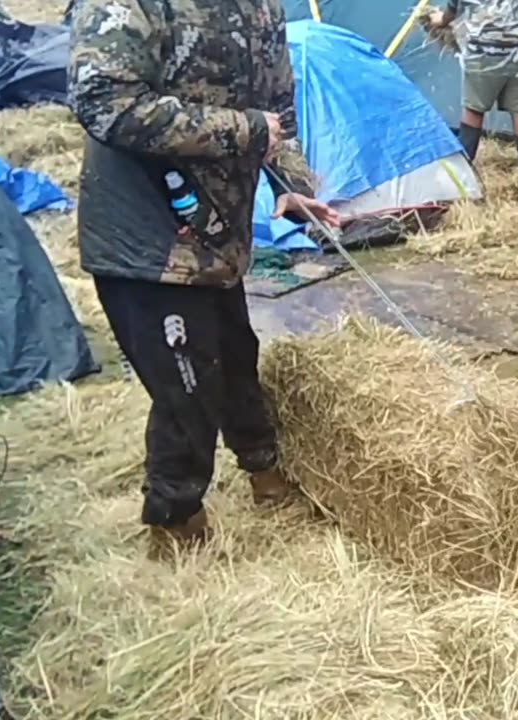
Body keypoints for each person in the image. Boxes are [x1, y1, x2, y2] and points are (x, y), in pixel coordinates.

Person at [68, 0, 341, 557]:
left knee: (237, 356)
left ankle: (265, 474)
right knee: (185, 386)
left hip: (217, 233)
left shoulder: (261, 7)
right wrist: (242, 130)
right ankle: (176, 523)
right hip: (146, 236)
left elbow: (276, 113)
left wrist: (288, 182)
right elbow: (104, 101)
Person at [428, 0, 518, 166]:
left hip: (487, 48)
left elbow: (453, 9)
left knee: (474, 109)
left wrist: (440, 19)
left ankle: (464, 166)